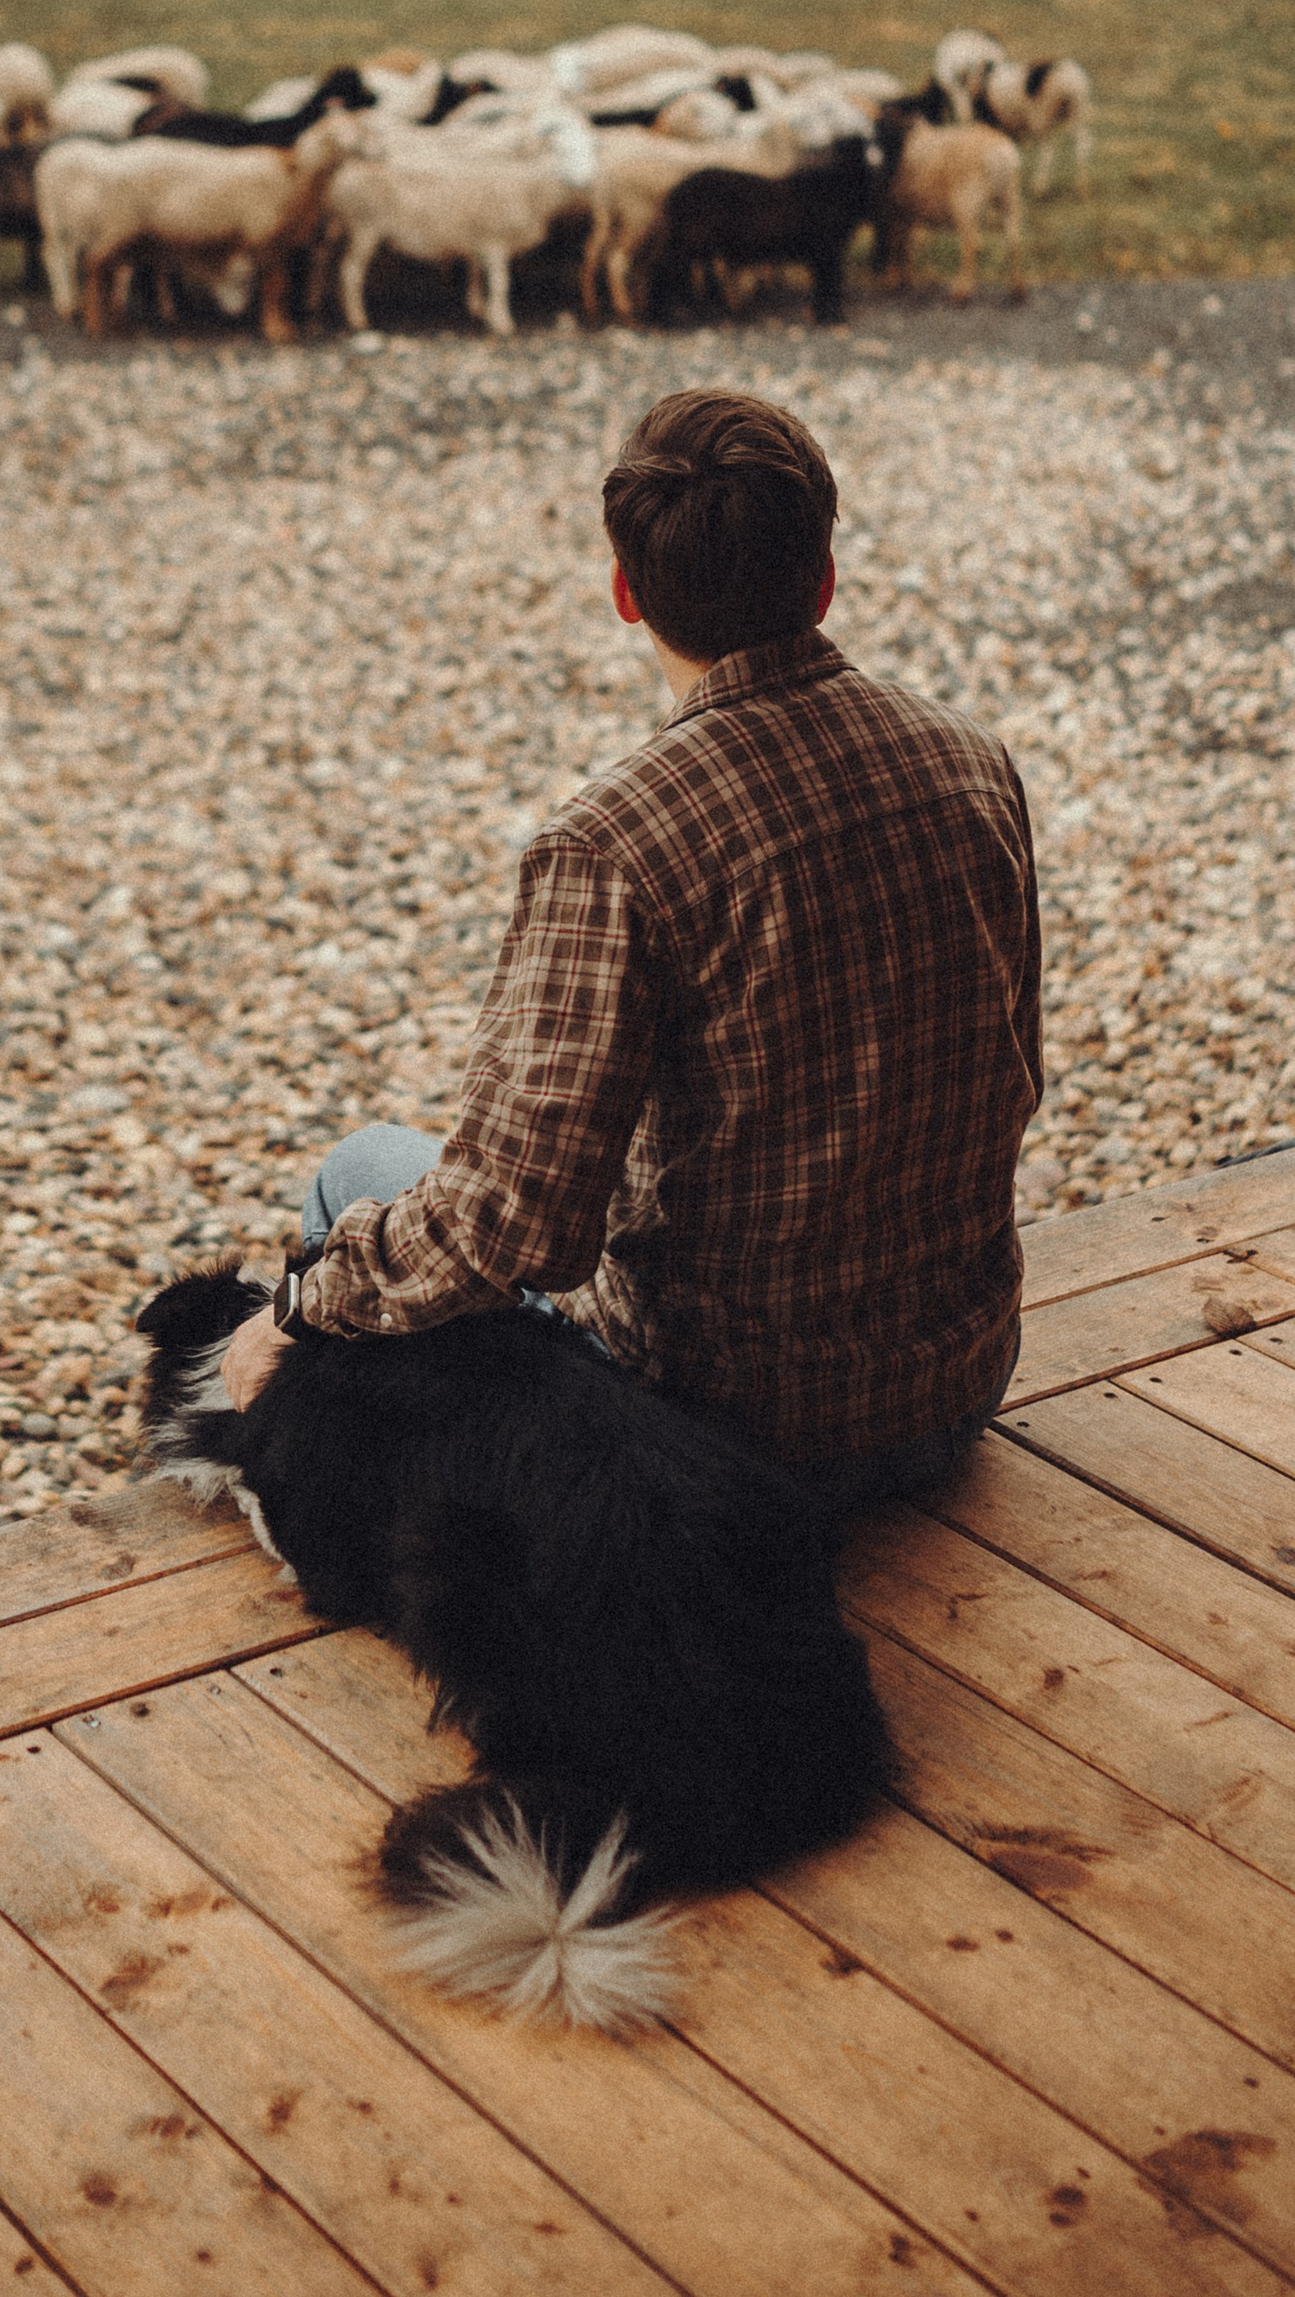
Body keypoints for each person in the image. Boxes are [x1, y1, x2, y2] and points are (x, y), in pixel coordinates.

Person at [219, 385, 1044, 1521]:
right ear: (823, 578)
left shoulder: (616, 838)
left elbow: (508, 1224)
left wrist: (300, 1308)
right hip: (952, 1386)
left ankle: (341, 1502)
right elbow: (1014, 1074)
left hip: (725, 1438)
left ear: (623, 590)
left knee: (358, 1167)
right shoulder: (971, 763)